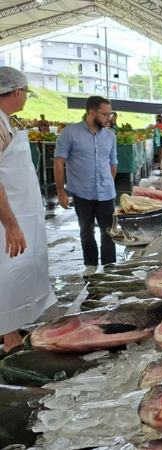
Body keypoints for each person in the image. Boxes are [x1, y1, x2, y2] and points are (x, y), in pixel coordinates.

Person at [0, 67, 56, 357]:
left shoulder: (6, 121)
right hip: (6, 216)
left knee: (16, 272)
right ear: (17, 91)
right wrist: (10, 224)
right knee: (5, 273)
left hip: (19, 212)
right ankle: (9, 340)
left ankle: (11, 329)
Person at [54, 96, 118, 278]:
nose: (109, 118)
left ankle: (110, 267)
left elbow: (113, 163)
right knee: (86, 230)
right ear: (92, 112)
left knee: (109, 231)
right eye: (105, 114)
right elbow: (59, 163)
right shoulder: (70, 133)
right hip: (82, 192)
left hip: (106, 192)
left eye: (110, 114)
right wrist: (61, 192)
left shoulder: (110, 136)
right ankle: (90, 264)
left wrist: (109, 183)